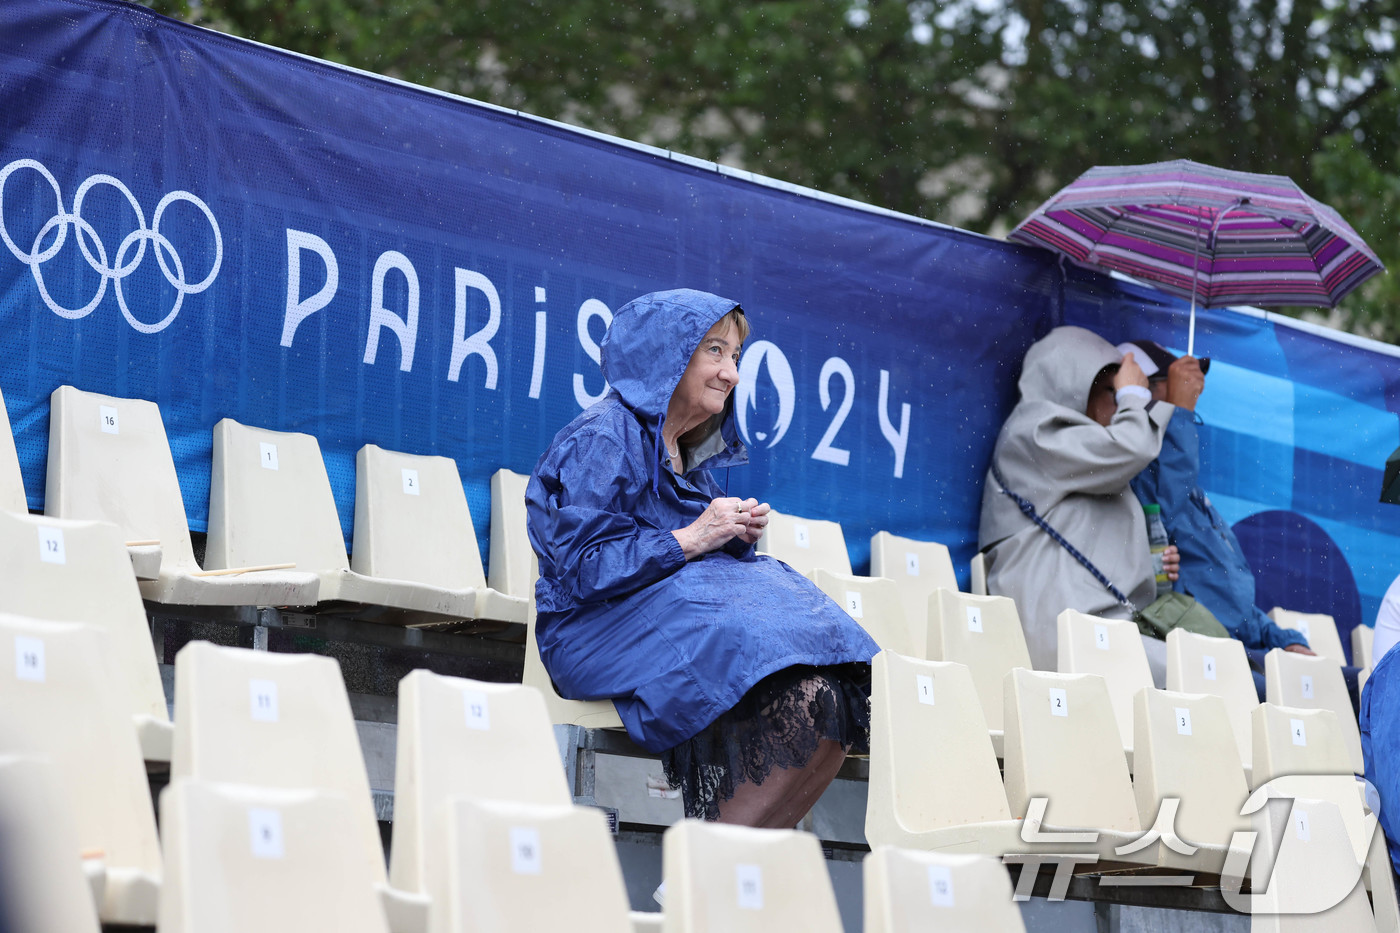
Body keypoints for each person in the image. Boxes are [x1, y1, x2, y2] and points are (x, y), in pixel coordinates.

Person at [526, 288, 878, 829]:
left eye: (734, 357)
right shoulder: (604, 437)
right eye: (714, 351)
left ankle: (719, 884)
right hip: (594, 633)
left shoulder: (686, 453)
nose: (731, 373)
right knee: (805, 701)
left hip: (658, 627)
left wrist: (732, 536)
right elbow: (586, 569)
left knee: (825, 709)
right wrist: (695, 536)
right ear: (666, 355)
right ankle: (702, 881)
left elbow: (690, 567)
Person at [978, 326, 1179, 681]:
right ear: (1070, 385)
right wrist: (1134, 394)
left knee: (1233, 678)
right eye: (1111, 393)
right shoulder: (1033, 434)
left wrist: (1149, 565)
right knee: (1219, 685)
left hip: (1105, 630)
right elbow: (1133, 446)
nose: (1119, 407)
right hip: (1064, 634)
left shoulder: (1087, 457)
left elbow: (1082, 543)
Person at [1120, 340, 1314, 664]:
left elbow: (1228, 597)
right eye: (1175, 380)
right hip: (1205, 654)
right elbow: (1163, 523)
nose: (1191, 388)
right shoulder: (1137, 475)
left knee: (1343, 686)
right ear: (1143, 392)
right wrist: (1179, 416)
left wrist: (1283, 639)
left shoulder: (1185, 482)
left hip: (1239, 644)